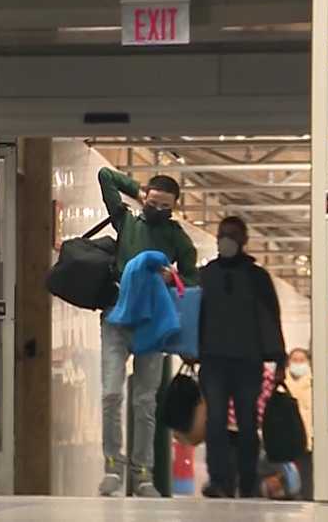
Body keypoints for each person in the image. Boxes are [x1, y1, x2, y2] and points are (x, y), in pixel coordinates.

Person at [97, 167, 199, 497]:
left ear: (173, 208)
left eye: (165, 206)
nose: (157, 209)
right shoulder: (127, 221)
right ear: (145, 198)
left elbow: (192, 280)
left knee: (144, 402)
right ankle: (113, 465)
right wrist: (137, 189)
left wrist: (175, 280)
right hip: (116, 318)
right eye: (153, 202)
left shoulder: (175, 236)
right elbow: (104, 176)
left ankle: (143, 473)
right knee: (111, 393)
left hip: (152, 326)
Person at [198, 216, 286, 498]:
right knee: (216, 421)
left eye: (233, 235)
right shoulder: (207, 274)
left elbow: (272, 318)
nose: (227, 239)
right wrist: (190, 349)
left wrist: (279, 360)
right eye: (223, 234)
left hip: (248, 362)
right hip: (213, 360)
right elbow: (194, 315)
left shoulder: (257, 277)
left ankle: (247, 482)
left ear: (244, 240)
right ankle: (219, 481)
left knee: (248, 424)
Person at [284, 347, 328, 500]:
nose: (298, 364)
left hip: (311, 440)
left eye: (301, 360)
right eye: (294, 360)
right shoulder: (281, 385)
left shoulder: (318, 383)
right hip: (288, 441)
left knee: (308, 478)